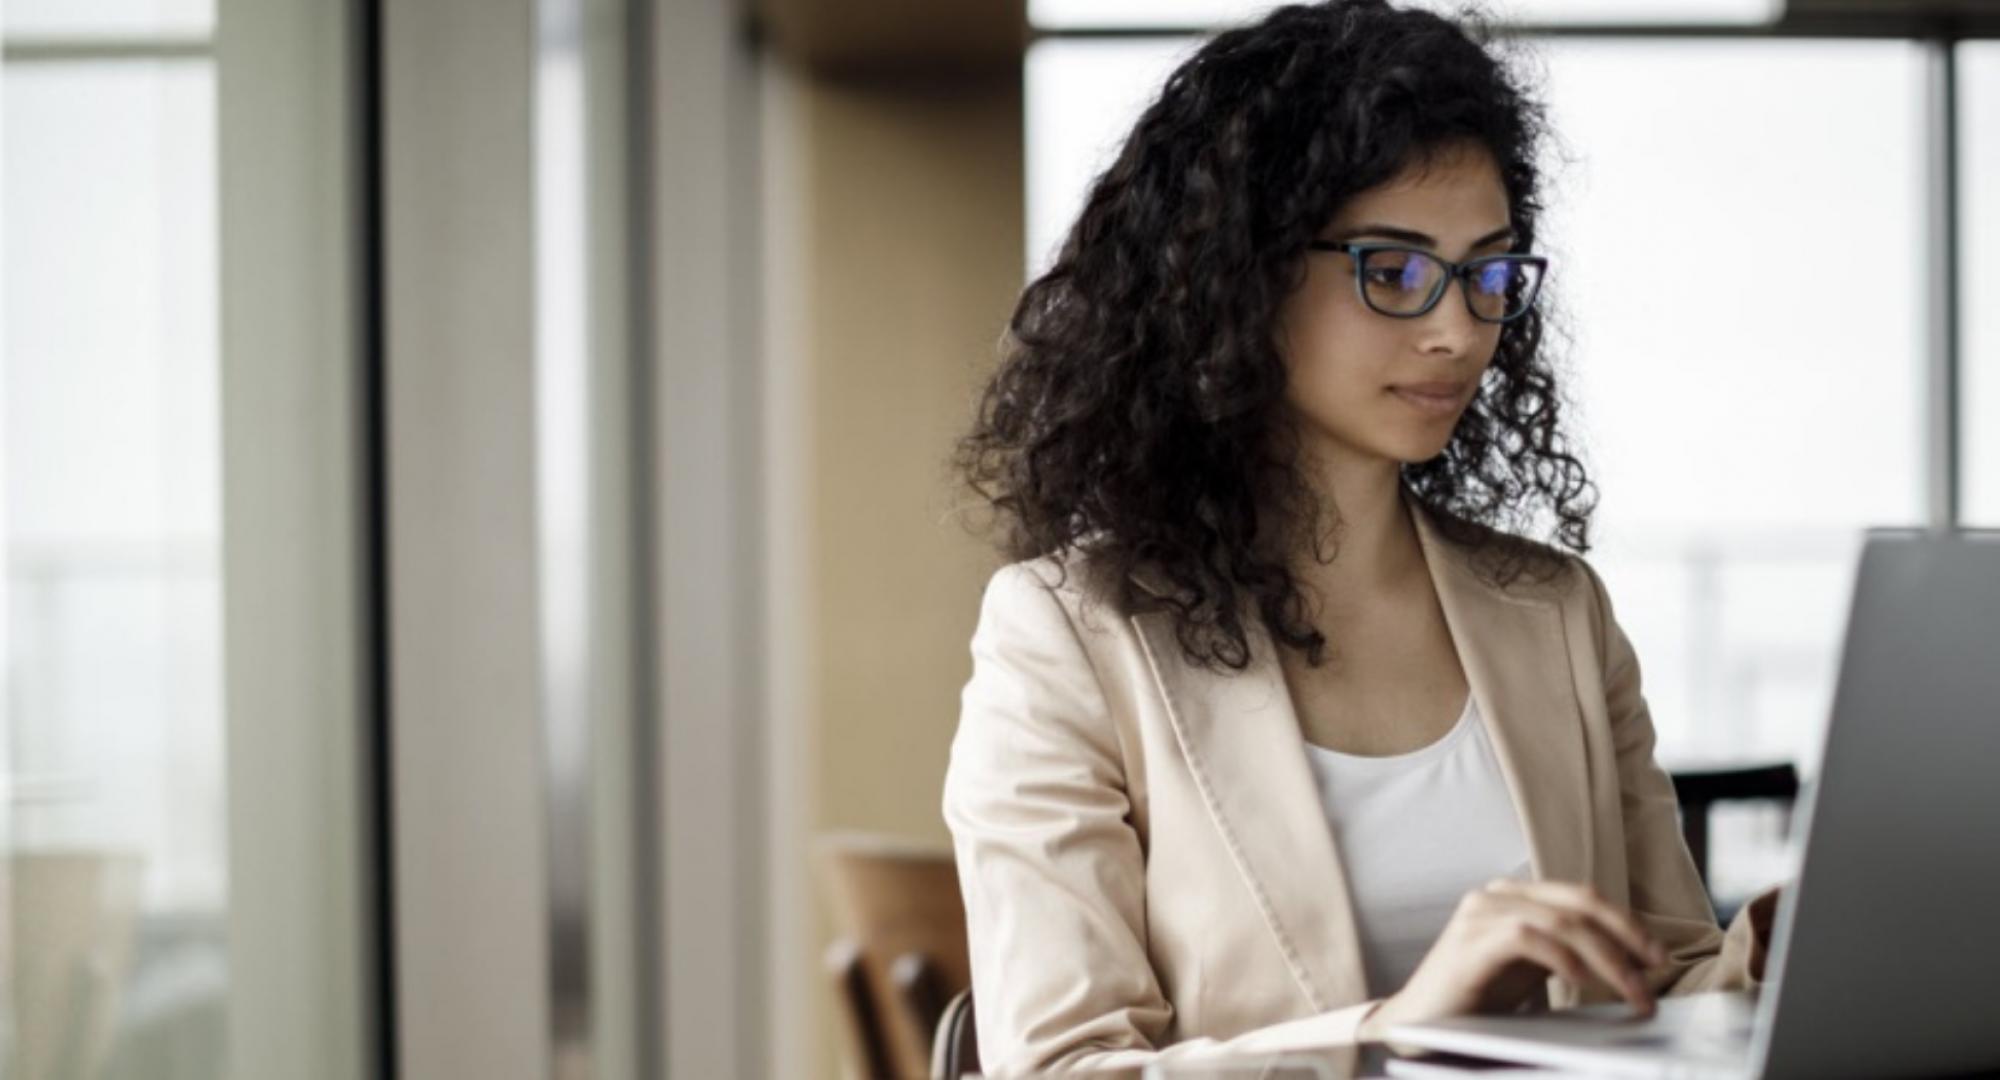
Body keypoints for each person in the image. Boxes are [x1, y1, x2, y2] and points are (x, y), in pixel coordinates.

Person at [943, 1, 1777, 1074]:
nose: (1455, 330)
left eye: (1485, 273)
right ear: (1235, 276)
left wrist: (1773, 948)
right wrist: (1391, 1029)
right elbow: (1060, 1067)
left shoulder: (1557, 614)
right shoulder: (1066, 636)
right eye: (1391, 270)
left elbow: (1660, 995)